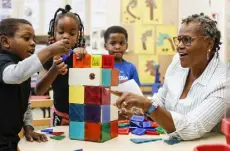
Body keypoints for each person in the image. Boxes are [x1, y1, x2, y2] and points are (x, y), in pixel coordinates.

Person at [113, 13, 226, 140]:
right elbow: (161, 99)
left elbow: (191, 128)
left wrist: (147, 106)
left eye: (187, 40)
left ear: (209, 44)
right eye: (179, 39)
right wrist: (138, 109)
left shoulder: (223, 82)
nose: (179, 46)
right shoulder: (178, 61)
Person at [0, 18, 71, 150]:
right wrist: (49, 50)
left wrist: (28, 127)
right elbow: (15, 75)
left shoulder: (22, 66)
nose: (33, 43)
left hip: (10, 141)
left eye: (34, 39)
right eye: (27, 38)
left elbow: (24, 103)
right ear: (5, 42)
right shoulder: (3, 61)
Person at [35, 5, 86, 126]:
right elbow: (39, 90)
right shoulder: (47, 58)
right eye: (61, 32)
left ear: (78, 35)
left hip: (83, 116)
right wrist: (54, 70)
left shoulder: (82, 56)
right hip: (60, 117)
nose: (66, 36)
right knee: (59, 144)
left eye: (72, 33)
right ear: (53, 32)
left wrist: (86, 59)